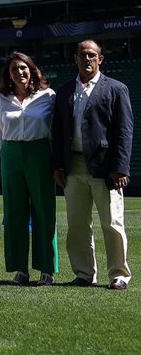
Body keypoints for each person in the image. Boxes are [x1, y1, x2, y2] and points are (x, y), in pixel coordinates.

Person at [52, 40, 133, 290]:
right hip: (72, 166)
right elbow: (58, 132)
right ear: (75, 58)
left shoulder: (116, 89)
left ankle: (119, 274)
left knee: (112, 222)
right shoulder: (64, 91)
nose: (87, 59)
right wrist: (58, 165)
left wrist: (120, 167)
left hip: (105, 167)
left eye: (92, 55)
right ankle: (84, 273)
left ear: (100, 59)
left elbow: (124, 131)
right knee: (77, 225)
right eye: (82, 55)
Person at [0, 52, 57, 286]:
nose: (19, 72)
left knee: (43, 210)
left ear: (31, 69)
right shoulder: (1, 99)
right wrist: (6, 153)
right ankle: (20, 269)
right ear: (8, 74)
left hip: (39, 152)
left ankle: (46, 269)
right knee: (14, 213)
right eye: (14, 69)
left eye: (23, 68)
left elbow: (53, 129)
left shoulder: (48, 96)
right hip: (11, 154)